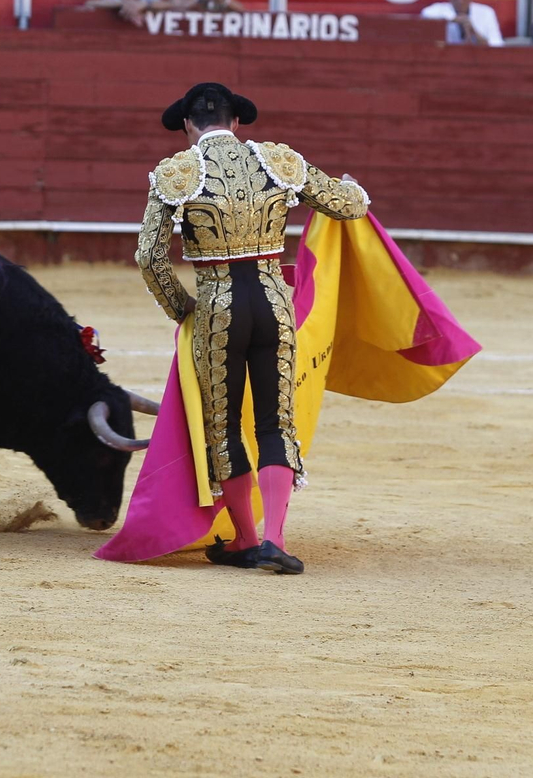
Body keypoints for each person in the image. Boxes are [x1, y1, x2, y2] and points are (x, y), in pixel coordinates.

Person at [135, 82, 370, 575]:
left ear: (186, 126)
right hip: (272, 305)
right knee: (274, 422)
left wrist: (183, 309)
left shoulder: (177, 172)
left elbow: (149, 257)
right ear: (236, 122)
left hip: (219, 309)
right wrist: (352, 188)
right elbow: (348, 206)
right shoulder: (278, 162)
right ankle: (275, 540)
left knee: (223, 428)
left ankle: (244, 537)